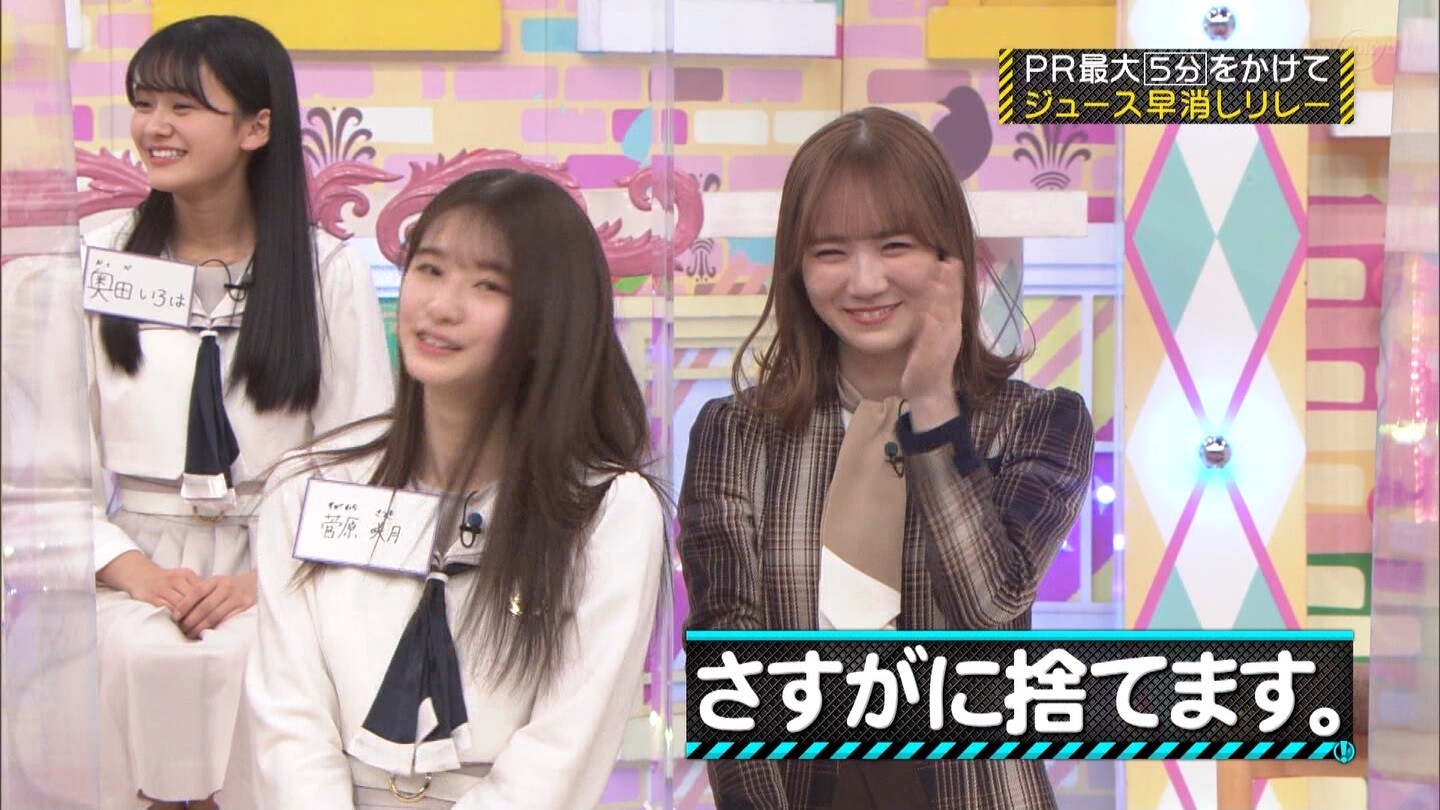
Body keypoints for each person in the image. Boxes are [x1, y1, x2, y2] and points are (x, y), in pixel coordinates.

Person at [678, 106, 1095, 809]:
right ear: (796, 267)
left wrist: (932, 409)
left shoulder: (1039, 421)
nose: (865, 282)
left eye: (894, 245)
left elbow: (989, 612)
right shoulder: (736, 433)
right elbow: (729, 666)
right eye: (830, 252)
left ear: (947, 254)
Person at [246, 169, 670, 809]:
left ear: (549, 321)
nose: (441, 306)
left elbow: (561, 754)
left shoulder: (606, 511)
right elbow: (289, 724)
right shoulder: (310, 486)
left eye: (488, 285)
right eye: (430, 269)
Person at [84, 15, 396, 809]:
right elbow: (41, 465)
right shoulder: (95, 257)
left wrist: (266, 580)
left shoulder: (327, 271)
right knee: (141, 659)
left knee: (259, 669)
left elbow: (363, 471)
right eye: (143, 103)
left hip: (284, 566)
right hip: (127, 563)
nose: (155, 126)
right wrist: (135, 572)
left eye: (183, 107)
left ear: (257, 127)